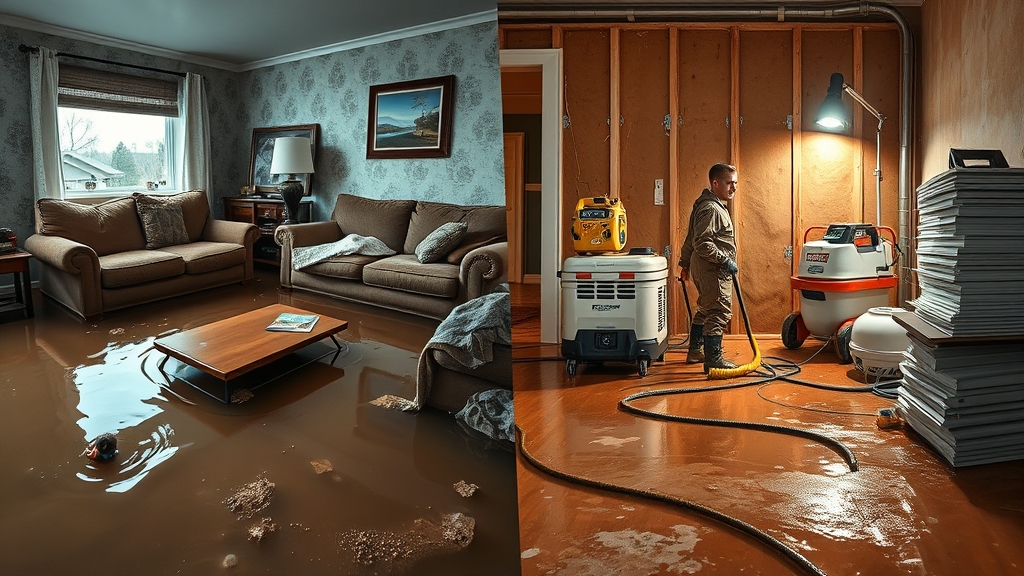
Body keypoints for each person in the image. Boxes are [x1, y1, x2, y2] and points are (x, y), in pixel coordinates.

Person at [678, 163, 739, 373]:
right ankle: (713, 360)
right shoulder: (711, 208)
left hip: (704, 267)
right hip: (712, 268)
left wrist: (684, 264)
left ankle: (696, 350)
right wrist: (725, 260)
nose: (734, 188)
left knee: (705, 308)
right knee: (719, 310)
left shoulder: (706, 204)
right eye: (729, 183)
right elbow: (702, 243)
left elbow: (690, 239)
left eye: (735, 183)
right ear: (715, 183)